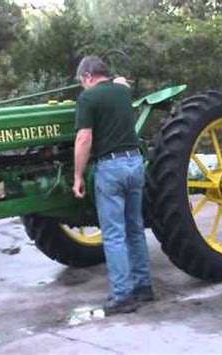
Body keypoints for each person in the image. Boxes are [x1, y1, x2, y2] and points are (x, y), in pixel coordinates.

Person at [72, 55, 154, 316]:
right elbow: (120, 85)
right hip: (134, 163)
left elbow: (84, 138)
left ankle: (122, 296)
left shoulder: (88, 98)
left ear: (87, 77)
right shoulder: (122, 92)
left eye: (82, 82)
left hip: (112, 168)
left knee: (114, 235)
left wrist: (78, 175)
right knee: (135, 229)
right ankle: (143, 287)